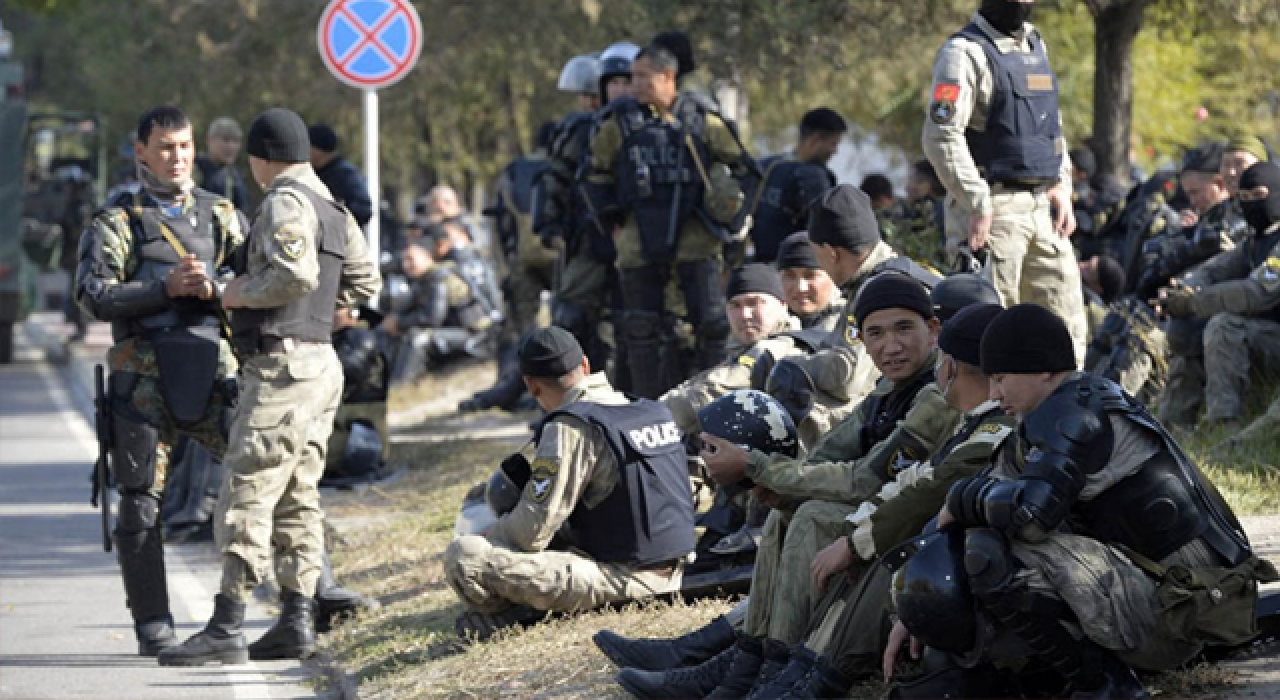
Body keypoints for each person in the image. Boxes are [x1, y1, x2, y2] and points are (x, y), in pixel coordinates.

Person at [886, 304, 1271, 699]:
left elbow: (1028, 515)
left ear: (1043, 370)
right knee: (976, 537)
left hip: (1192, 612)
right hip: (1170, 598)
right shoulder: (1044, 415)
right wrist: (917, 601)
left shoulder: (1077, 413)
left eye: (1000, 378)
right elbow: (979, 499)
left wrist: (960, 500)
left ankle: (1106, 685)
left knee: (990, 553)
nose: (994, 393)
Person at [608, 274, 965, 699]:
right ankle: (747, 663)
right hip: (884, 517)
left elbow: (866, 479)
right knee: (787, 512)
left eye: (904, 328)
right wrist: (782, 486)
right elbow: (831, 452)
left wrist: (758, 465)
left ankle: (777, 669)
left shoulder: (937, 393)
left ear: (933, 329)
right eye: (876, 334)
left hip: (921, 533)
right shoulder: (888, 388)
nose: (891, 345)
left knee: (814, 516)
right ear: (861, 340)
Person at [159, 107, 381, 666]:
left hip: (281, 369)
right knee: (298, 496)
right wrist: (323, 314)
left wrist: (233, 292)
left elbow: (295, 275)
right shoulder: (332, 204)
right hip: (320, 365)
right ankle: (296, 619)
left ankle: (227, 623)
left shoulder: (285, 200)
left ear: (262, 158)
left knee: (246, 492)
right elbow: (364, 280)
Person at [745, 303, 1014, 698]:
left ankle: (810, 677)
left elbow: (924, 493)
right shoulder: (965, 421)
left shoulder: (993, 426)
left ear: (952, 365)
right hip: (955, 553)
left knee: (887, 552)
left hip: (984, 573)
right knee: (850, 539)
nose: (891, 346)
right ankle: (773, 663)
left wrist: (855, 543)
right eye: (875, 333)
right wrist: (852, 534)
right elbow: (909, 481)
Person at [75, 106, 247, 657]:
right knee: (139, 501)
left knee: (263, 479)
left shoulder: (221, 215)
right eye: (166, 147)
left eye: (185, 146)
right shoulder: (117, 220)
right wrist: (163, 289)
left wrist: (213, 288)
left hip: (214, 374)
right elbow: (93, 295)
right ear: (142, 152)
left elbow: (255, 282)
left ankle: (301, 603)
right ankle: (153, 624)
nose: (177, 158)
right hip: (142, 381)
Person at [444, 327, 695, 640]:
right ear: (586, 365)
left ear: (531, 385)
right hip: (677, 567)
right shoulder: (652, 409)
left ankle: (514, 613)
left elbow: (531, 531)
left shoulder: (572, 425)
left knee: (465, 556)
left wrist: (490, 536)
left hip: (624, 578)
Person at [584, 41, 754, 399]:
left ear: (668, 77)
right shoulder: (619, 123)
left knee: (711, 325)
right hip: (638, 241)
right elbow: (595, 175)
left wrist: (730, 214)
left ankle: (711, 405)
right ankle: (648, 410)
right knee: (641, 328)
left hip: (697, 240)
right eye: (632, 77)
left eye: (642, 77)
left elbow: (744, 169)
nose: (634, 84)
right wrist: (613, 224)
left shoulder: (702, 120)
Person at [923, 0, 1088, 365]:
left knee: (1065, 333)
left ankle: (1066, 401)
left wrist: (1062, 186)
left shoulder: (1035, 45)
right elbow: (941, 136)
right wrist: (976, 201)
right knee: (988, 335)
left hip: (1044, 211)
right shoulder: (962, 53)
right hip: (993, 212)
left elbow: (1050, 126)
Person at [1155, 161, 1280, 428]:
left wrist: (1194, 302)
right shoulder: (1254, 242)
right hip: (1265, 336)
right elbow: (1214, 270)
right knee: (1188, 326)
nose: (1252, 204)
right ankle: (1174, 423)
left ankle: (1223, 421)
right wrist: (1184, 290)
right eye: (1245, 197)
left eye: (1258, 195)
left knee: (1225, 325)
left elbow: (1257, 292)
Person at [463, 121, 559, 411]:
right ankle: (557, 389)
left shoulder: (515, 171)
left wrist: (503, 265)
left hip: (522, 259)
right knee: (565, 324)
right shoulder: (564, 167)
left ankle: (519, 388)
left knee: (522, 328)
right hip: (561, 254)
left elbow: (498, 221)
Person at [659, 263, 804, 437]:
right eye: (736, 305)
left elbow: (715, 390)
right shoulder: (742, 351)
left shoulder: (781, 347)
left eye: (754, 303)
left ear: (782, 305)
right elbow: (701, 383)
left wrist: (653, 415)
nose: (745, 315)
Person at [383, 242, 496, 387]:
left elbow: (432, 318)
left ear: (426, 257)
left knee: (418, 339)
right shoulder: (424, 280)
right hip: (458, 331)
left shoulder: (439, 277)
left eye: (411, 259)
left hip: (476, 334)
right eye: (404, 260)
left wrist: (399, 323)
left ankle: (399, 388)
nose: (406, 265)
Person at [746, 108, 844, 263]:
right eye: (833, 144)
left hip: (755, 263)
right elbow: (826, 228)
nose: (835, 151)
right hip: (794, 266)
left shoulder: (765, 166)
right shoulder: (814, 175)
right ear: (815, 140)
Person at [774, 231, 844, 332]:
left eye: (810, 276)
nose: (800, 288)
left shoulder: (850, 322)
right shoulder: (768, 325)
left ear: (832, 277)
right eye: (790, 276)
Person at [308, 123, 373, 229]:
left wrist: (333, 217)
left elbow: (363, 210)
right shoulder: (313, 173)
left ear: (317, 149)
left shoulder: (345, 176)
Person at [194, 116, 248, 211]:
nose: (231, 146)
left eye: (236, 141)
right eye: (225, 140)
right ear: (209, 140)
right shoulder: (196, 169)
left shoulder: (233, 175)